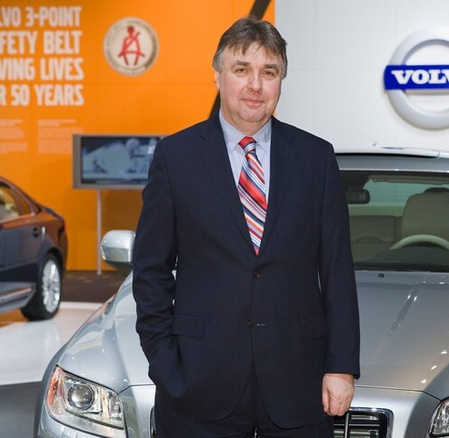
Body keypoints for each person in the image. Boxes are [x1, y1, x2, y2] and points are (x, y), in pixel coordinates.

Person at [132, 16, 360, 438]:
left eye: (268, 72)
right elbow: (150, 270)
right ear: (217, 74)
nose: (256, 85)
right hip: (197, 386)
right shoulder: (175, 157)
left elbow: (337, 272)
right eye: (242, 69)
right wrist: (165, 362)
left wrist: (341, 367)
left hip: (299, 382)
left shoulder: (316, 159)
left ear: (281, 81)